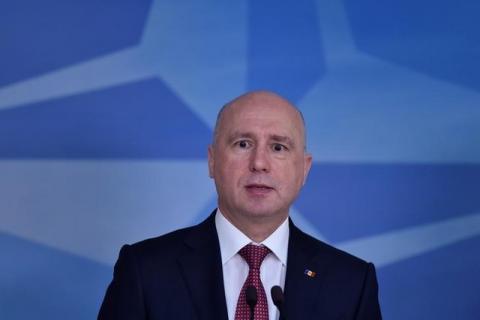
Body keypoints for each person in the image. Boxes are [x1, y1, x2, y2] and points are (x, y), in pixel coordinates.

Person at [98, 91, 382, 320]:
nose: (259, 163)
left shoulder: (351, 283)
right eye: (243, 144)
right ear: (212, 161)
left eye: (278, 147)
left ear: (304, 169)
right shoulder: (145, 270)